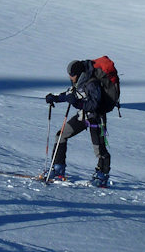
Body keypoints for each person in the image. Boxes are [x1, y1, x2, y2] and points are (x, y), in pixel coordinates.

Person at [43, 59, 111, 187]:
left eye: (72, 74)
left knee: (99, 149)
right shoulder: (78, 82)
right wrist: (55, 98)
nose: (70, 77)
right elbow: (70, 94)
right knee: (61, 135)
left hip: (96, 118)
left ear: (79, 74)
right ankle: (58, 168)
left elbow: (94, 104)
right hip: (82, 117)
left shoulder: (92, 83)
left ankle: (102, 176)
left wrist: (76, 103)